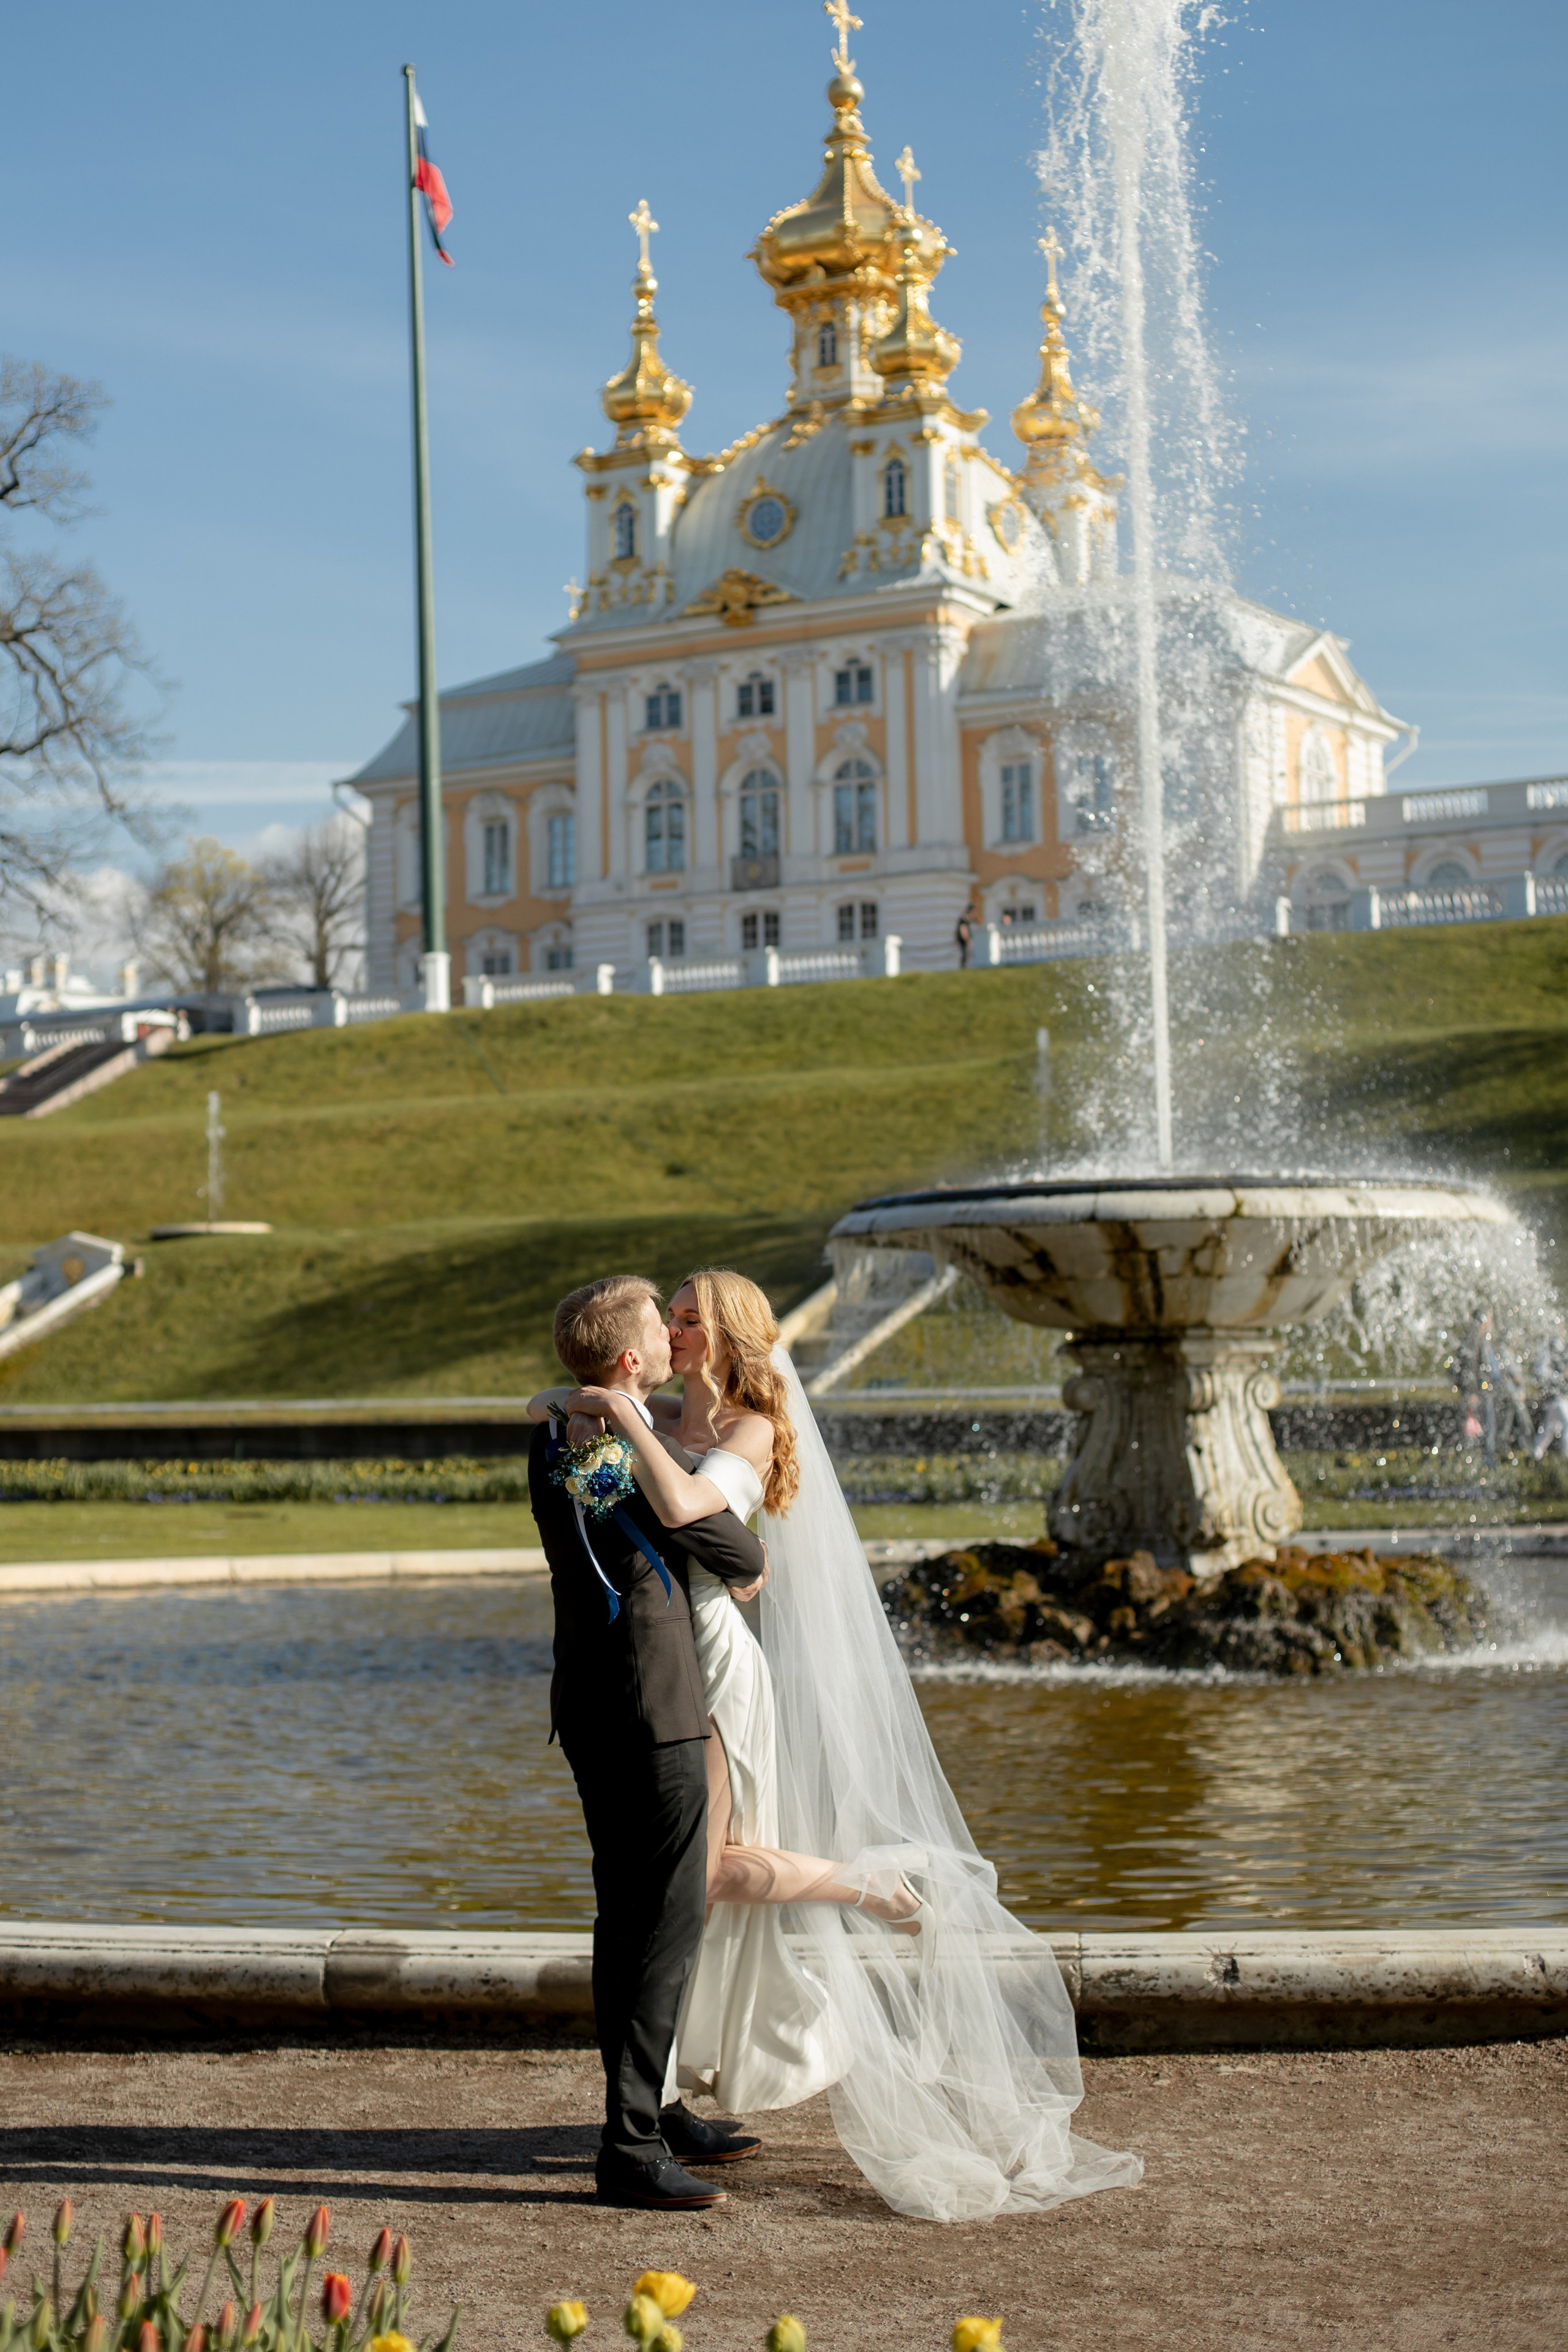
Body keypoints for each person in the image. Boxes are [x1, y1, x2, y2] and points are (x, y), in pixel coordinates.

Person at [560, 1267, 1144, 2224]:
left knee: (694, 1882)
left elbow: (691, 1517)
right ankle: (670, 2093)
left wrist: (617, 1422)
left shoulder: (751, 1428)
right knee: (685, 1885)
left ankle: (870, 1890)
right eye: (670, 1318)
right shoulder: (651, 1414)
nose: (675, 1329)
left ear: (733, 1334)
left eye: (691, 1317)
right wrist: (595, 1408)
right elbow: (635, 1488)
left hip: (713, 1669)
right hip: (661, 1668)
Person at [525, 1274, 772, 2214]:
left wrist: (596, 1404)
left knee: (622, 1919)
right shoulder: (625, 1452)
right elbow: (744, 1561)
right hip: (654, 1701)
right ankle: (629, 2144)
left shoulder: (558, 1434)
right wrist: (632, 1425)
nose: (675, 1345)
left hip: (589, 1701)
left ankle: (657, 2114)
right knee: (660, 1927)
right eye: (659, 1338)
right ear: (631, 1363)